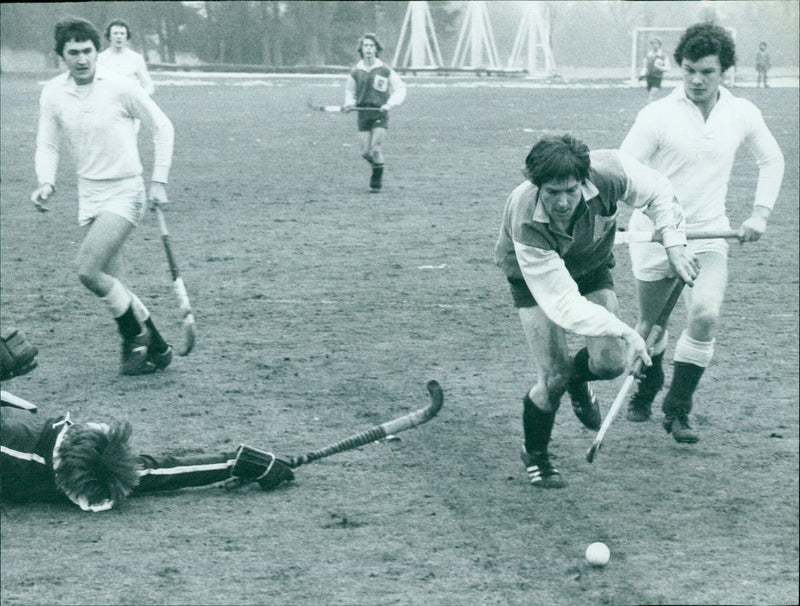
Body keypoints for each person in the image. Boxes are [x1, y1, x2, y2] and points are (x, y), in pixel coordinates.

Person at [494, 134, 698, 488]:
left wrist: (674, 243)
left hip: (590, 264)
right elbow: (564, 304)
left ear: (584, 181)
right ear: (536, 184)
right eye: (551, 192)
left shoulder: (612, 171)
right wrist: (625, 329)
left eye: (570, 191)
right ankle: (536, 453)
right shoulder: (524, 216)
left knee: (610, 363)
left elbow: (659, 193)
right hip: (534, 278)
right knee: (553, 374)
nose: (561, 202)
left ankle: (577, 381)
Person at [620, 23, 784, 443]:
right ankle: (650, 382)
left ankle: (678, 408)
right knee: (651, 326)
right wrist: (646, 219)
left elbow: (772, 160)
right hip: (655, 236)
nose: (696, 80)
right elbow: (624, 171)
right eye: (689, 70)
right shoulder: (656, 114)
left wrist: (759, 214)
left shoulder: (742, 112)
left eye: (707, 72)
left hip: (710, 235)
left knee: (705, 315)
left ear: (724, 71)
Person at [0, 331, 294, 512]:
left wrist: (235, 463)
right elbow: (158, 470)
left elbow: (155, 471)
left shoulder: (33, 457)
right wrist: (233, 462)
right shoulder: (54, 461)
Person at [30, 17, 176, 376]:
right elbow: (47, 142)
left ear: (97, 51)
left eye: (87, 50)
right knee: (116, 285)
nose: (81, 58)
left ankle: (131, 337)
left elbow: (162, 126)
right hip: (89, 192)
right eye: (73, 52)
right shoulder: (52, 92)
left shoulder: (120, 86)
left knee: (87, 270)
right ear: (61, 56)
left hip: (126, 190)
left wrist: (159, 180)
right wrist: (45, 181)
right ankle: (158, 347)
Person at [343, 33, 406, 193]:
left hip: (379, 113)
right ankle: (378, 166)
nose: (368, 49)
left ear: (376, 49)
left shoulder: (384, 69)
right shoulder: (356, 71)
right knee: (365, 152)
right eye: (366, 46)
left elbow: (400, 89)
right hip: (363, 114)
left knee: (375, 149)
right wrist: (349, 104)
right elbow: (350, 91)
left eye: (371, 46)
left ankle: (376, 179)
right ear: (361, 49)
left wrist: (389, 104)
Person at [98, 19, 154, 96]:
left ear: (126, 36)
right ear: (109, 36)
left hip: (131, 103)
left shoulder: (136, 58)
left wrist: (140, 97)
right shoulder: (100, 59)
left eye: (122, 34)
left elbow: (148, 85)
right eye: (115, 33)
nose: (119, 37)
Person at [640, 37, 670, 102]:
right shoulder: (648, 55)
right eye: (653, 43)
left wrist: (660, 68)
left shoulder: (663, 55)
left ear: (659, 45)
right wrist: (642, 74)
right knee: (650, 91)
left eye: (656, 43)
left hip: (657, 76)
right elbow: (645, 66)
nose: (654, 45)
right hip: (649, 76)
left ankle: (650, 101)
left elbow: (668, 68)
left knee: (653, 93)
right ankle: (652, 101)